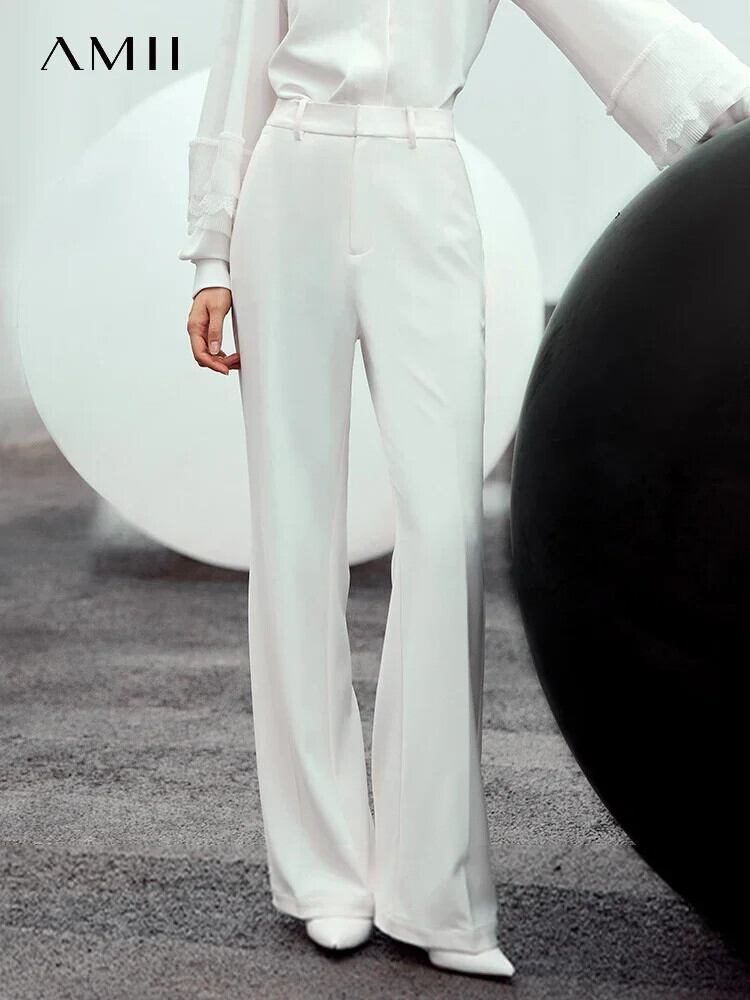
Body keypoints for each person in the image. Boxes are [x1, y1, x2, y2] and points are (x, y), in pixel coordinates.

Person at [179, 0, 750, 980]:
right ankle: (321, 876)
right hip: (289, 180)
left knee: (444, 532)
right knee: (293, 529)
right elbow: (243, 57)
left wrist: (727, 104)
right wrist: (209, 249)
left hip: (422, 177)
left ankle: (434, 889)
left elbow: (600, 12)